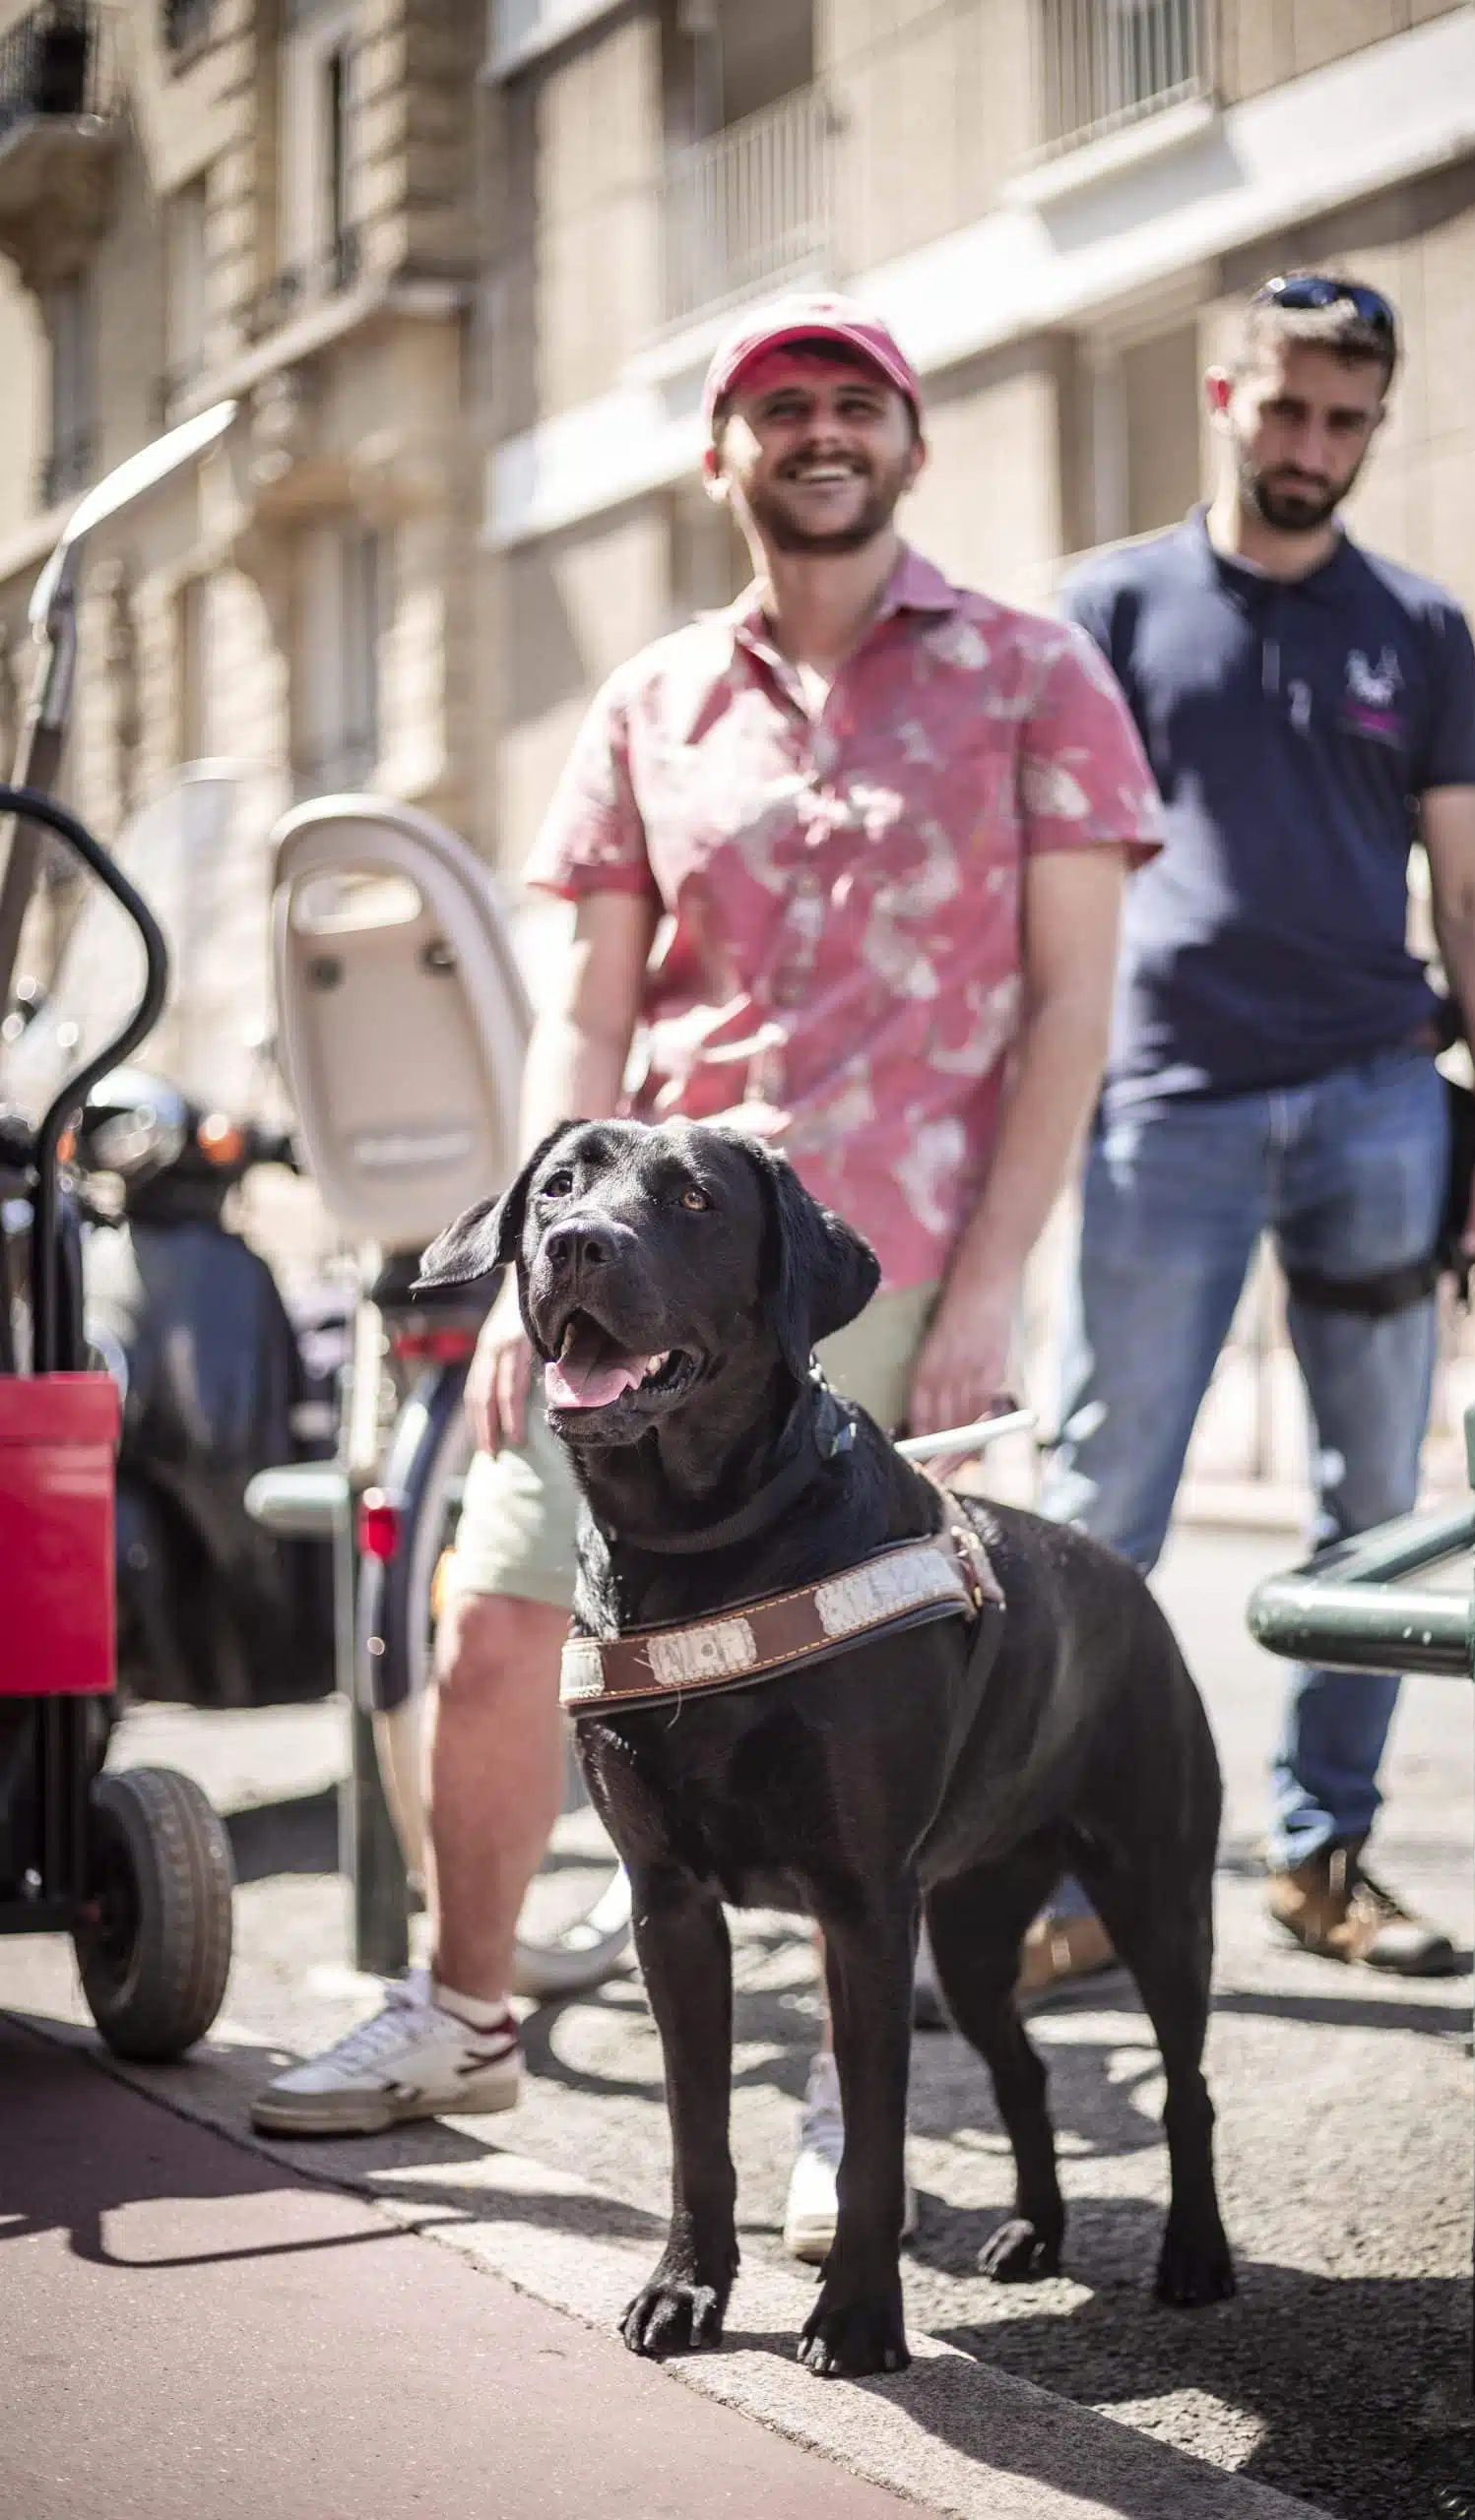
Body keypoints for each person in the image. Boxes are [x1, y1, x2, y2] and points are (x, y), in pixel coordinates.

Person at [253, 294, 1162, 2252]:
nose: (818, 432)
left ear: (909, 443)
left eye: (854, 404)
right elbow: (586, 1017)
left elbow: (1073, 1007)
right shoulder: (647, 701)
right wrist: (532, 1274)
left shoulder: (1035, 676)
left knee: (875, 1700)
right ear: (721, 456)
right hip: (636, 1258)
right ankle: (464, 2007)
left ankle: (852, 2088)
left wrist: (994, 1274)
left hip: (897, 1255)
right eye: (779, 409)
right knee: (501, 1610)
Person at [1044, 275, 1475, 1975]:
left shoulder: (1418, 627)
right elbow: (1038, 887)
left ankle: (1322, 1857)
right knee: (1101, 1502)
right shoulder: (1103, 611)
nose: (1312, 446)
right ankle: (1058, 1881)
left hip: (1375, 1107)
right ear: (1221, 395)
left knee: (1378, 1512)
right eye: (1286, 410)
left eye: (1345, 419)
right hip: (1159, 1106)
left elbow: (1468, 893)